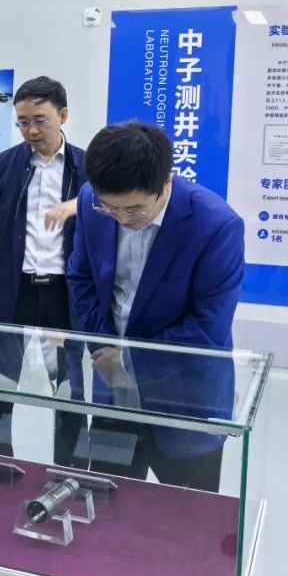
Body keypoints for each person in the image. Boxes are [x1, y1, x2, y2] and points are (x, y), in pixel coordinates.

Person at [66, 120, 244, 491]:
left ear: (166, 183)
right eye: (110, 208)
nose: (121, 219)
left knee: (185, 516)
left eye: (134, 210)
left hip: (185, 397)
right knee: (107, 504)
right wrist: (104, 350)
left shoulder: (215, 225)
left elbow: (207, 326)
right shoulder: (90, 201)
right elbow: (81, 279)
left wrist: (128, 361)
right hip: (112, 389)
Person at [0, 76, 86, 463]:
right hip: (14, 290)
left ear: (63, 116)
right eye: (23, 122)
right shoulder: (1, 168)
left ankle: (71, 470)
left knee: (71, 386)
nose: (31, 130)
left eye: (40, 120)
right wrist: (6, 270)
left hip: (64, 295)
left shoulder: (86, 168)